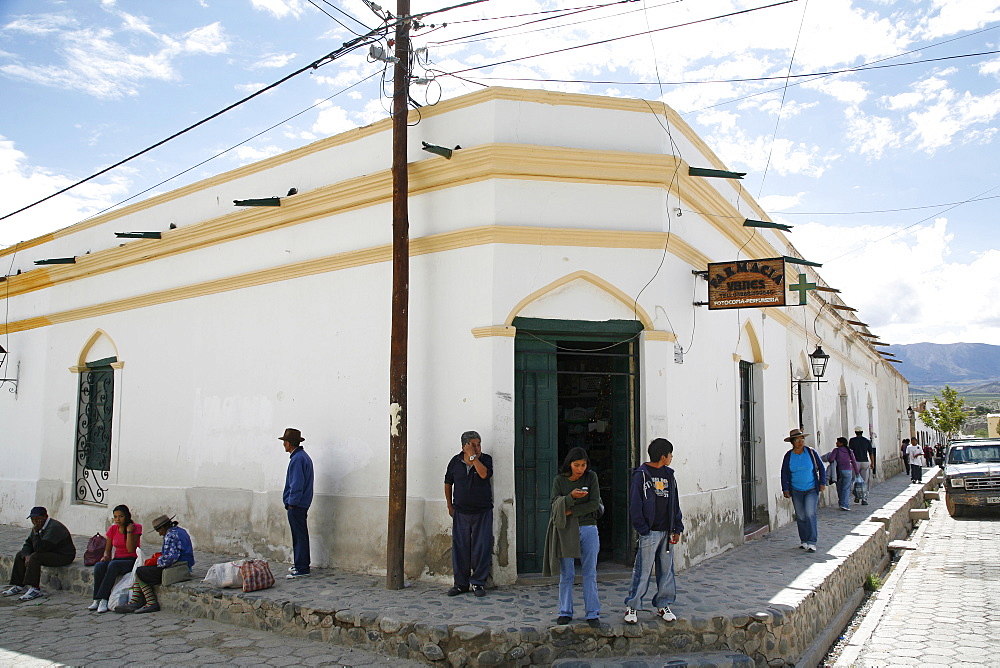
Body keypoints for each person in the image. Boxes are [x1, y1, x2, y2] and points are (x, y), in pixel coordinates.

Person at [623, 438, 684, 625]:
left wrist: (677, 527)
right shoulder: (641, 475)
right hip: (649, 532)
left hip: (666, 531)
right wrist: (642, 528)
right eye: (670, 455)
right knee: (643, 570)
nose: (672, 458)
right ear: (663, 456)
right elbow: (635, 503)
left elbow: (675, 502)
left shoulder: (669, 475)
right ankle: (632, 605)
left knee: (666, 570)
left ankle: (663, 604)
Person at [542, 447, 602, 627]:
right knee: (566, 573)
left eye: (583, 465)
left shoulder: (591, 478)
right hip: (566, 530)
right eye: (577, 465)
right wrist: (570, 497)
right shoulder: (559, 481)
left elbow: (594, 503)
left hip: (588, 528)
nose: (580, 469)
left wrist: (571, 510)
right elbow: (554, 504)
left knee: (590, 572)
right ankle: (565, 611)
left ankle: (592, 613)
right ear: (570, 464)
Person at [444, 430, 494, 597]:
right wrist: (450, 506)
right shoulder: (455, 461)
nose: (477, 447)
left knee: (481, 547)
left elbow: (483, 474)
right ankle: (460, 584)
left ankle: (478, 583)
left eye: (479, 444)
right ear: (464, 446)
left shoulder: (485, 459)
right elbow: (448, 482)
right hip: (461, 512)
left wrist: (474, 458)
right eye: (473, 445)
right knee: (460, 547)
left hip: (482, 511)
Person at [114, 514, 195, 614]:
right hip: (185, 564)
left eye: (159, 531)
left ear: (163, 527)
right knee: (141, 570)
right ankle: (134, 602)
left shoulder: (170, 535)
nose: (160, 534)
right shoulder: (180, 531)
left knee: (140, 571)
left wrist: (156, 561)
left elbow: (170, 558)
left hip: (177, 567)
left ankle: (150, 602)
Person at [2, 507, 76, 602]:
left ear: (45, 517)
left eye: (37, 519)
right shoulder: (38, 526)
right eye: (33, 519)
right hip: (48, 551)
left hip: (63, 556)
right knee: (21, 554)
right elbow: (28, 543)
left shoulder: (54, 528)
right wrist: (26, 555)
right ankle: (19, 585)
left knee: (35, 557)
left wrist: (36, 533)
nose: (35, 521)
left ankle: (35, 589)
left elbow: (40, 548)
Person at [781, 429, 827, 553]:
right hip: (796, 490)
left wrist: (822, 482)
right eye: (797, 440)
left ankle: (812, 541)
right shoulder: (789, 456)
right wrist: (785, 488)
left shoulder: (811, 453)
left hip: (811, 489)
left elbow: (821, 468)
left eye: (802, 439)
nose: (800, 442)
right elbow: (784, 473)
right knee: (800, 515)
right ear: (792, 442)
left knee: (810, 513)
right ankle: (804, 540)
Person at [89, 504, 142, 613]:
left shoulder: (136, 527)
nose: (118, 519)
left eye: (121, 516)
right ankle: (96, 599)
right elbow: (108, 549)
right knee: (100, 566)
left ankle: (104, 599)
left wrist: (129, 531)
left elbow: (130, 549)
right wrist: (105, 556)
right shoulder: (113, 529)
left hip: (130, 560)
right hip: (117, 559)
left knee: (113, 565)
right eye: (115, 517)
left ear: (127, 516)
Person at [280, 427, 314, 579]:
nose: (283, 445)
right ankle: (300, 564)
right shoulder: (302, 457)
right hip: (301, 503)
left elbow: (296, 484)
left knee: (299, 535)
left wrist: (292, 502)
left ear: (289, 443)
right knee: (300, 534)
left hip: (297, 504)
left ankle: (301, 567)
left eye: (285, 442)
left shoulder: (297, 459)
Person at [824, 437, 860, 511]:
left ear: (841, 443)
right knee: (846, 488)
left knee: (839, 488)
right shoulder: (849, 451)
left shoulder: (836, 450)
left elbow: (831, 459)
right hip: (848, 471)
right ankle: (845, 504)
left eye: (838, 442)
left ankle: (842, 503)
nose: (836, 443)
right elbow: (854, 462)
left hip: (839, 471)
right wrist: (857, 473)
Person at [848, 427, 875, 506]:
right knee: (864, 481)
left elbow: (850, 452)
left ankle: (856, 495)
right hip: (865, 462)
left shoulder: (852, 441)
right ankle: (864, 498)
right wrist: (872, 463)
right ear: (862, 432)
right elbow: (871, 453)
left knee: (853, 480)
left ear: (855, 432)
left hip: (855, 462)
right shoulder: (867, 441)